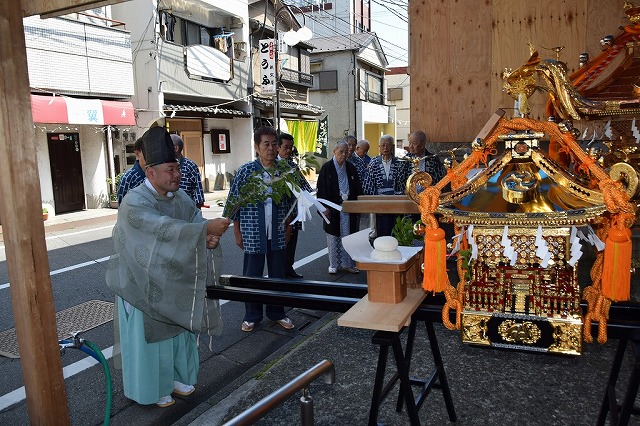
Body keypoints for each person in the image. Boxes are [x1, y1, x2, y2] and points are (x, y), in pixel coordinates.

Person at [106, 126, 230, 408]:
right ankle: (154, 389)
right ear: (150, 172)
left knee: (179, 333)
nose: (178, 174)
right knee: (152, 342)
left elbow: (194, 223)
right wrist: (202, 232)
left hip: (173, 282)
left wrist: (207, 236)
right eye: (171, 169)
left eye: (178, 168)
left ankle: (177, 378)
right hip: (140, 285)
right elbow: (159, 230)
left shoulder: (182, 197)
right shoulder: (135, 201)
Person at [224, 126, 295, 332]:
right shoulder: (246, 171)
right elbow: (234, 202)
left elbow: (291, 202)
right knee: (252, 275)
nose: (271, 148)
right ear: (256, 147)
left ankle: (277, 312)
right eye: (266, 144)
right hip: (253, 230)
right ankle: (252, 315)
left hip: (278, 230)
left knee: (277, 275)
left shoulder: (284, 171)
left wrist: (289, 226)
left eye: (274, 144)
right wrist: (237, 231)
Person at [317, 140, 362, 274]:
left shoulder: (350, 167)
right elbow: (321, 190)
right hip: (333, 208)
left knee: (349, 236)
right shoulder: (327, 167)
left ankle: (348, 264)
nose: (343, 155)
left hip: (348, 208)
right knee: (333, 236)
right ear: (334, 152)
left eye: (346, 152)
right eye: (340, 152)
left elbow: (357, 187)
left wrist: (358, 204)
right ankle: (334, 264)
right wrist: (323, 207)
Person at [277, 133, 312, 279]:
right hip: (280, 212)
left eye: (291, 147)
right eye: (285, 147)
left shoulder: (292, 165)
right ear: (278, 147)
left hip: (294, 209)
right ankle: (279, 271)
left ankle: (289, 268)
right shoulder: (272, 165)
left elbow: (304, 185)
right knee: (281, 242)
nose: (288, 150)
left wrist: (314, 200)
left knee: (292, 240)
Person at [363, 135, 407, 237]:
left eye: (388, 145)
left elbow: (403, 184)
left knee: (396, 230)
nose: (385, 148)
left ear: (392, 147)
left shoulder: (400, 163)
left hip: (396, 203)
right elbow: (368, 185)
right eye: (383, 145)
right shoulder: (373, 162)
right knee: (381, 232)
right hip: (379, 203)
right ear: (379, 147)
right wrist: (376, 202)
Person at [170, 133, 205, 208]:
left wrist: (196, 213)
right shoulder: (162, 166)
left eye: (167, 145)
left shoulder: (190, 166)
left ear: (176, 148)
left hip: (188, 210)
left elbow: (198, 196)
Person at [116, 137, 146, 204]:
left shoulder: (159, 173)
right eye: (147, 151)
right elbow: (122, 205)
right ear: (137, 153)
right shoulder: (128, 178)